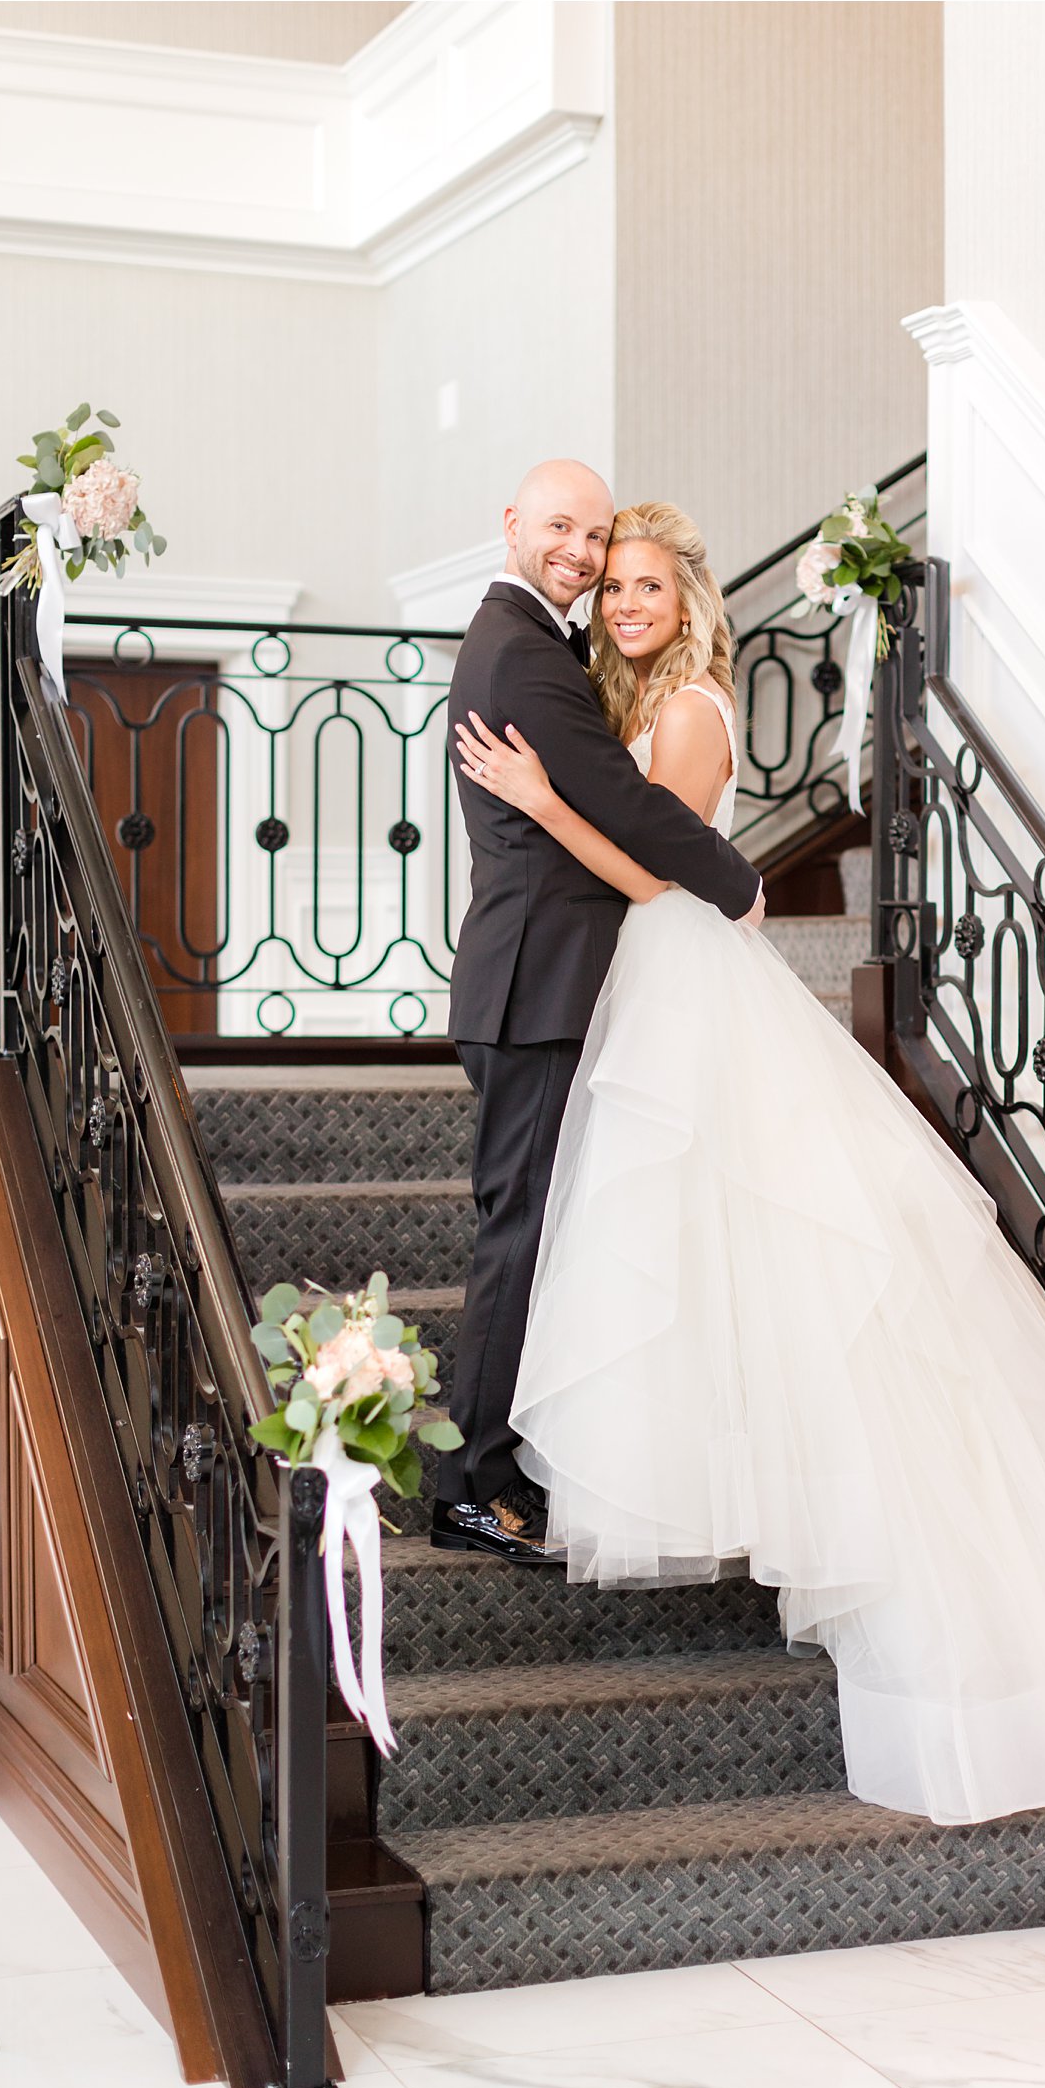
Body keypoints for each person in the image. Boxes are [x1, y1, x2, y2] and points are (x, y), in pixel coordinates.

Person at [451, 499, 1045, 1828]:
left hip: (683, 979)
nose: (626, 603)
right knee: (675, 1249)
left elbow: (653, 873)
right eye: (613, 586)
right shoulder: (602, 688)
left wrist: (534, 796)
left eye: (646, 585)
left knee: (762, 1244)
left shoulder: (691, 706)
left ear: (687, 599)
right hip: (637, 996)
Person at [431, 464, 765, 1561]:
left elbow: (613, 803)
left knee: (547, 1229)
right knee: (519, 1231)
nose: (584, 562)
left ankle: (513, 1460)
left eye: (603, 545)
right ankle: (472, 1484)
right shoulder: (525, 649)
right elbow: (623, 805)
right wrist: (734, 881)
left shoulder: (540, 647)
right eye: (564, 532)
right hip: (537, 987)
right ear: (512, 523)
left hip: (552, 979)